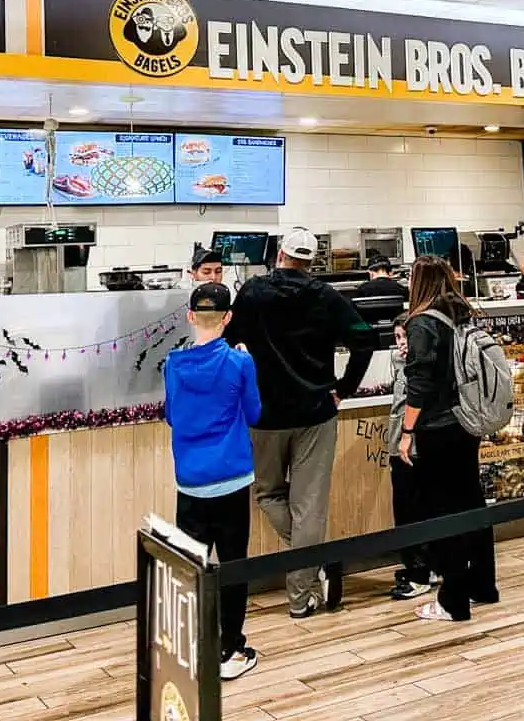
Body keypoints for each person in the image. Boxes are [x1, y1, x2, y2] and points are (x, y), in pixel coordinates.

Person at [227, 226, 377, 618]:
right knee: (309, 507)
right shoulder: (326, 296)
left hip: (264, 415)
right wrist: (344, 388)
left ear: (280, 253)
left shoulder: (252, 293)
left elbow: (226, 340)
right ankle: (301, 596)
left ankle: (314, 568)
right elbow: (365, 338)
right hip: (315, 413)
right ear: (312, 261)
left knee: (267, 494)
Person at [164, 282, 261, 680]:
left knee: (192, 568)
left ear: (190, 316)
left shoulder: (173, 364)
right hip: (232, 479)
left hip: (189, 482)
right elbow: (254, 413)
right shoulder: (240, 362)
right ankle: (230, 648)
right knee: (233, 564)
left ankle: (194, 647)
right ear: (228, 318)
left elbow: (172, 416)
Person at [398, 255, 498, 623]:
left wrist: (407, 432)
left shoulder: (422, 322)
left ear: (418, 283)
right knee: (471, 502)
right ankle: (483, 585)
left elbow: (420, 382)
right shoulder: (461, 315)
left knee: (443, 512)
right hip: (467, 423)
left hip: (438, 427)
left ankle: (453, 600)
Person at [385, 319, 434, 600]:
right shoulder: (401, 363)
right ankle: (424, 567)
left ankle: (419, 574)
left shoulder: (419, 370)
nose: (402, 343)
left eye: (406, 336)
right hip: (401, 446)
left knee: (410, 511)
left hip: (412, 449)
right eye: (397, 337)